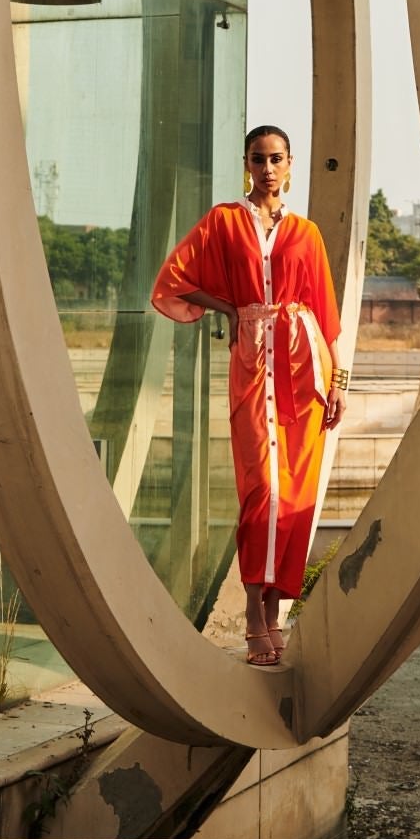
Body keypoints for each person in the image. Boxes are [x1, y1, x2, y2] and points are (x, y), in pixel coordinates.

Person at [152, 125, 346, 666]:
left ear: (290, 165)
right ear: (246, 163)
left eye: (276, 159)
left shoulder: (307, 233)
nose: (267, 169)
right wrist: (231, 308)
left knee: (296, 491)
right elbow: (172, 281)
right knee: (261, 486)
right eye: (258, 159)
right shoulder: (223, 222)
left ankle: (274, 608)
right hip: (252, 365)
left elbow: (326, 315)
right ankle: (254, 613)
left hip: (304, 367)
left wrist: (337, 383)